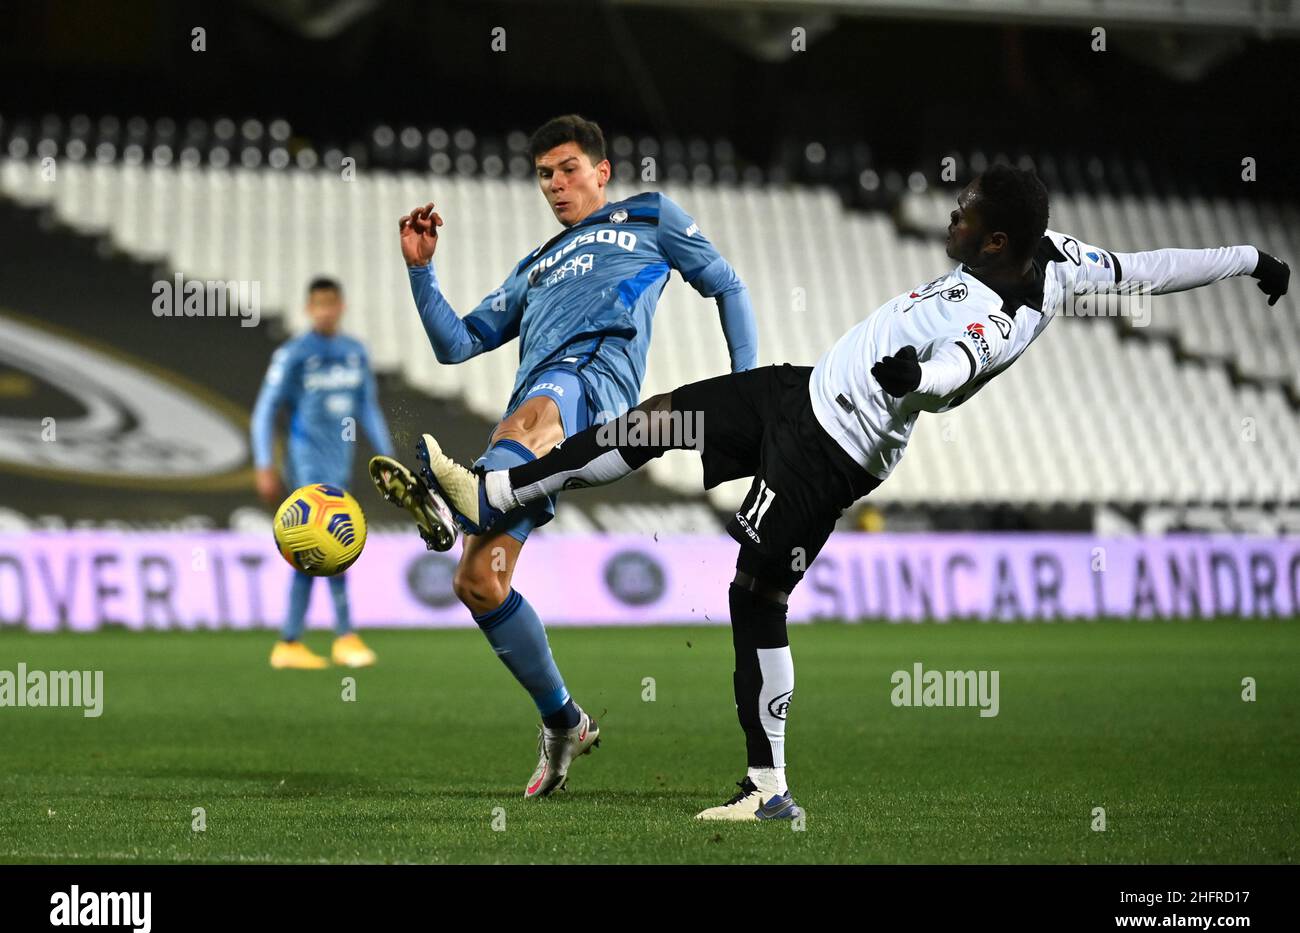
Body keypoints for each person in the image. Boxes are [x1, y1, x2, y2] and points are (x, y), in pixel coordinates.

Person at [390, 163, 1290, 819]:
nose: (952, 214)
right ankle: (495, 494)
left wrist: (915, 376)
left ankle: (769, 787)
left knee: (755, 594)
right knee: (658, 418)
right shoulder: (1059, 255)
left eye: (965, 213)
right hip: (799, 389)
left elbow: (953, 369)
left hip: (835, 449)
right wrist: (1251, 255)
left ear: (995, 241)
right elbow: (1150, 268)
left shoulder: (1005, 317)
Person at [370, 113, 758, 798]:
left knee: (541, 402)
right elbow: (456, 344)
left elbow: (727, 284)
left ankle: (457, 498)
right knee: (477, 583)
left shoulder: (651, 216)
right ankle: (564, 721)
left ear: (601, 172)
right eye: (544, 174)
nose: (555, 184)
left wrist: (745, 387)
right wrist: (421, 272)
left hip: (591, 391)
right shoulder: (537, 263)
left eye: (568, 168)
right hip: (526, 439)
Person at [252, 276, 394, 669]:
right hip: (305, 465)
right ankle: (341, 637)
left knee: (318, 552)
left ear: (342, 306)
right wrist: (264, 462)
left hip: (339, 467)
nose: (326, 311)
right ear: (308, 309)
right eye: (318, 305)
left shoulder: (355, 352)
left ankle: (292, 643)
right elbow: (265, 410)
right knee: (323, 547)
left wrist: (387, 457)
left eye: (332, 304)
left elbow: (368, 408)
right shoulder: (294, 354)